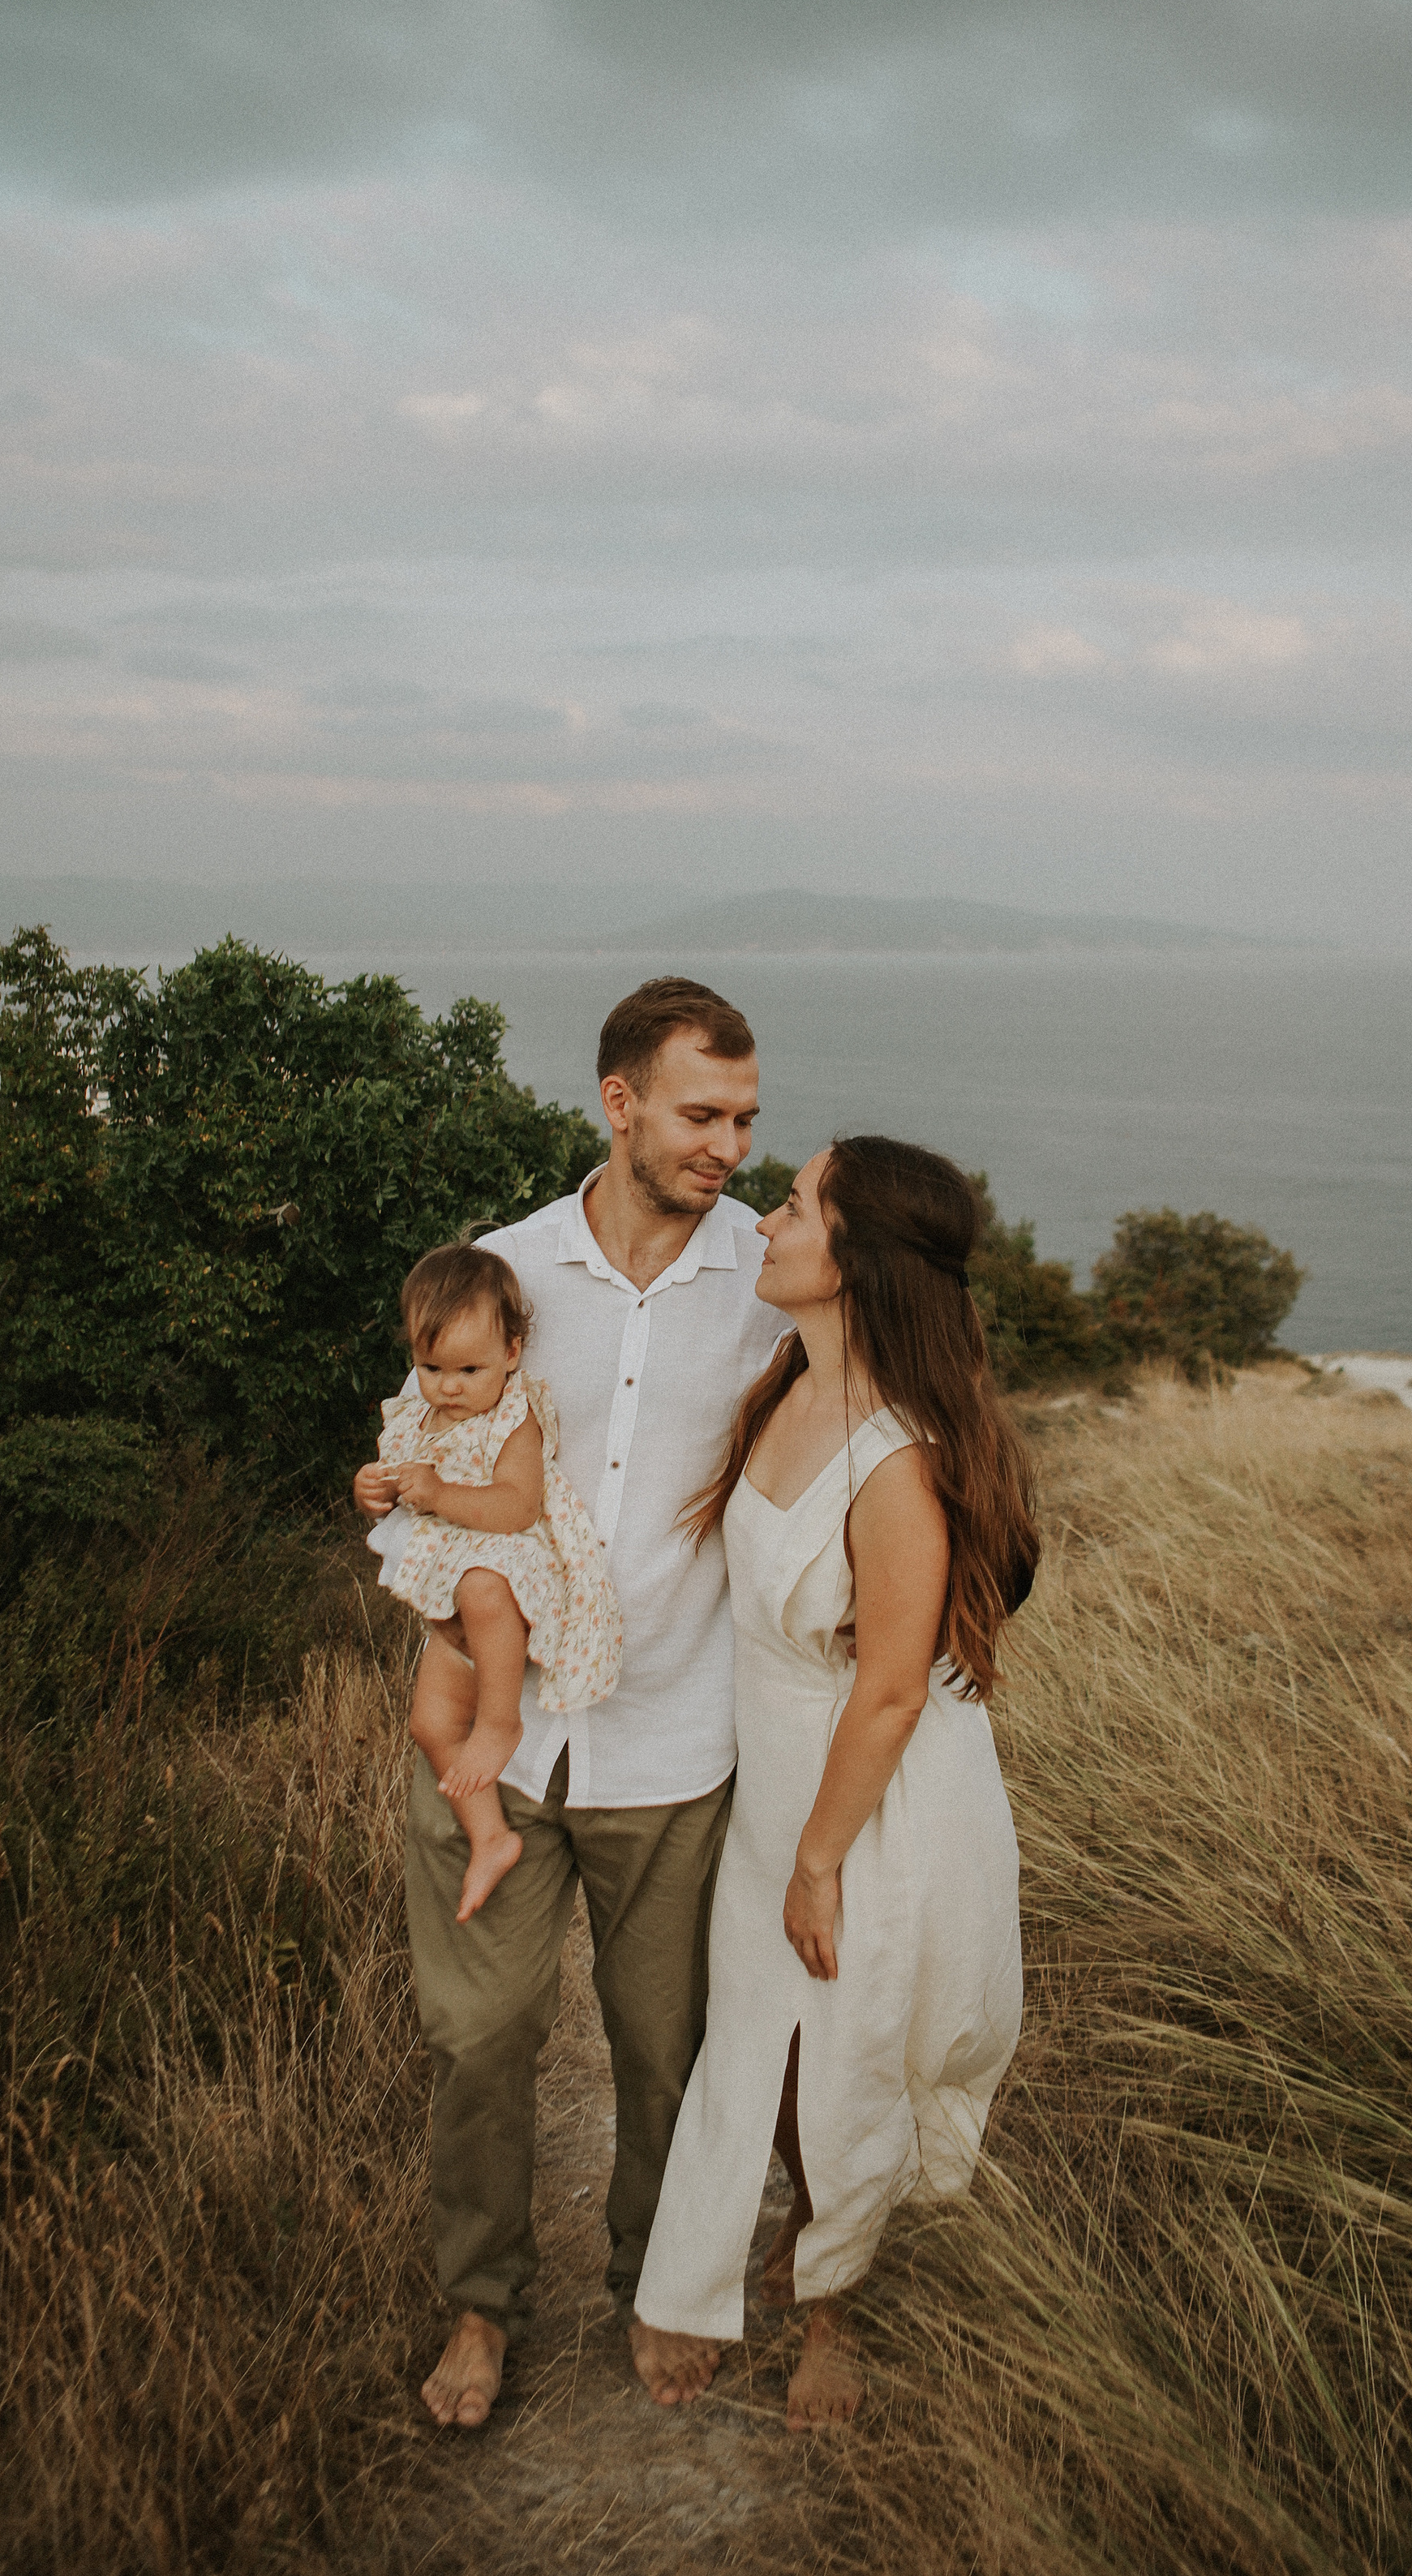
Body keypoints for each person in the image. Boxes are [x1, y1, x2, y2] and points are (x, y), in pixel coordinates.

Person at [363, 978, 788, 2432]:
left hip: (678, 1738)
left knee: (664, 2049)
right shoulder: (505, 1267)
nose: (728, 1144)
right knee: (480, 2042)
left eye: (743, 1116)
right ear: (618, 1104)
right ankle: (479, 2309)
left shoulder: (768, 1279)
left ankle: (658, 2287)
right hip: (506, 1729)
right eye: (699, 1113)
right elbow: (426, 1434)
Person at [629, 1136, 1038, 2432]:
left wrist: (818, 1860)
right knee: (764, 2041)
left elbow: (895, 1689)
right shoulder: (786, 1382)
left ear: (850, 1261)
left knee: (843, 2057)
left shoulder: (898, 1460)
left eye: (795, 1204)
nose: (765, 1219)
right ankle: (735, 2266)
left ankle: (830, 2314)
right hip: (778, 1775)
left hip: (868, 1800)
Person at [356, 1243, 624, 1926]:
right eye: (431, 1368)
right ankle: (491, 1836)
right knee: (429, 1722)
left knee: (481, 1585)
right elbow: (395, 1487)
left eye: (468, 1369)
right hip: (451, 1595)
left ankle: (501, 1719)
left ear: (512, 1351)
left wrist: (441, 1491)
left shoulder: (515, 1416)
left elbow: (517, 1507)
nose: (448, 1387)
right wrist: (374, 1491)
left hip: (513, 1564)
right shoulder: (417, 1415)